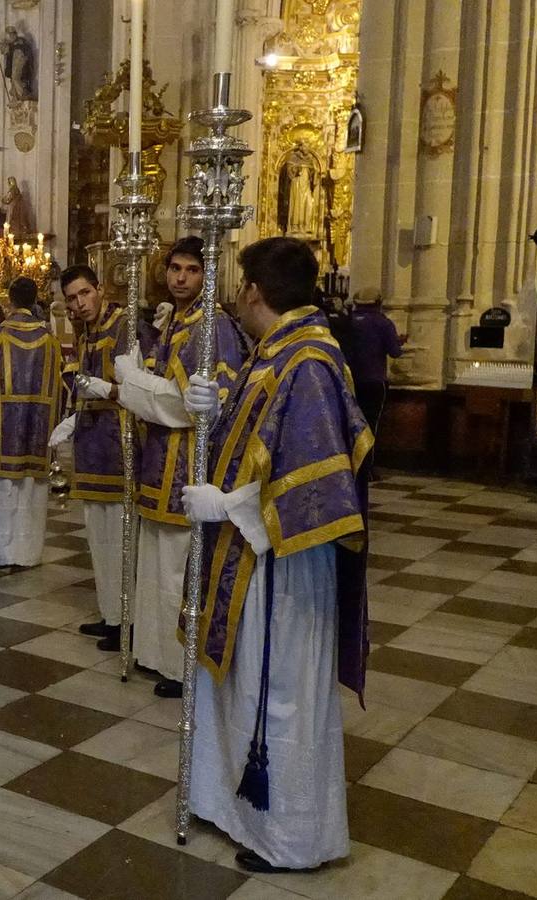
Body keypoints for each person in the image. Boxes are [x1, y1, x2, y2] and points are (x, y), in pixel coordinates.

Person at [183, 236, 371, 874]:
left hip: (284, 564)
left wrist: (227, 507)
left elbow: (319, 485)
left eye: (241, 286)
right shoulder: (276, 354)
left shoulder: (308, 363)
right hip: (254, 557)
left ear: (255, 291)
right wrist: (207, 409)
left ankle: (289, 838)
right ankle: (234, 808)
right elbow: (251, 442)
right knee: (243, 686)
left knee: (280, 691)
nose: (239, 296)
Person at [113, 236, 248, 698]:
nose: (180, 277)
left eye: (191, 270)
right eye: (175, 268)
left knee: (178, 571)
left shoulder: (215, 328)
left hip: (188, 464)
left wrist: (132, 383)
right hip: (158, 462)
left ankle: (181, 665)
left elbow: (189, 404)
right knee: (155, 566)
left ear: (206, 274)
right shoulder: (173, 323)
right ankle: (154, 653)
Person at [48, 266, 143, 647]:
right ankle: (111, 614)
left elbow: (140, 387)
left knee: (123, 542)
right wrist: (73, 417)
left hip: (121, 449)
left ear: (100, 289)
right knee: (100, 542)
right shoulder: (86, 334)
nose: (79, 303)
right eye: (72, 298)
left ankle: (130, 622)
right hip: (91, 449)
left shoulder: (126, 327)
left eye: (85, 293)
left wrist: (107, 390)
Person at [0, 276, 63, 572]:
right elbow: (61, 387)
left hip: (1, 431)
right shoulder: (51, 341)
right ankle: (28, 554)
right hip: (38, 430)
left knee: (0, 491)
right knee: (31, 492)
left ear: (9, 300)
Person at [342, 287, 404, 436]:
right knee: (370, 427)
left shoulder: (348, 321)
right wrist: (398, 342)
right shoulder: (383, 323)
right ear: (378, 303)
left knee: (349, 425)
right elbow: (394, 352)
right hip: (374, 381)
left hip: (349, 380)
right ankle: (368, 458)